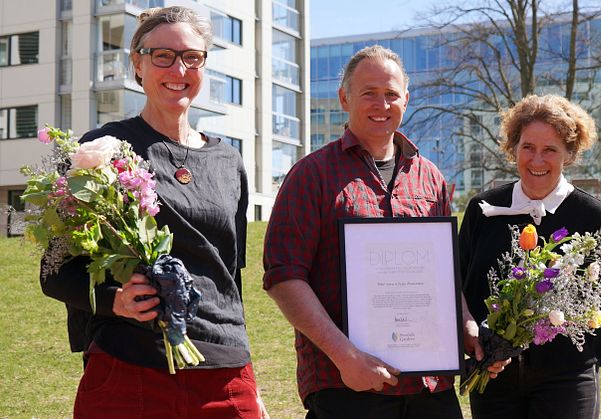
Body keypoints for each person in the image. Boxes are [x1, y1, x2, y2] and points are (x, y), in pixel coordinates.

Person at [39, 7, 269, 418]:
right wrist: (117, 301)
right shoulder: (102, 151)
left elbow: (228, 280)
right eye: (162, 55)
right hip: (129, 370)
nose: (178, 67)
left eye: (192, 57)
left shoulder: (229, 161)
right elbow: (55, 273)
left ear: (204, 65)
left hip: (224, 372)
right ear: (138, 64)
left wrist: (250, 385)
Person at [262, 45, 509, 419]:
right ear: (344, 98)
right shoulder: (310, 176)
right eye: (369, 93)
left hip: (430, 385)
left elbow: (442, 278)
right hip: (347, 384)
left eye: (391, 94)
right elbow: (284, 277)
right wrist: (346, 356)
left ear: (406, 100)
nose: (382, 104)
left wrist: (466, 327)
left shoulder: (432, 179)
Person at [459, 94, 601, 418]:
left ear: (569, 153)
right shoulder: (482, 211)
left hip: (567, 381)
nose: (537, 160)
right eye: (528, 147)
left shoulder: (597, 219)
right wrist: (480, 348)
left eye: (550, 149)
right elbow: (458, 285)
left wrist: (585, 356)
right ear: (514, 148)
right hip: (495, 380)